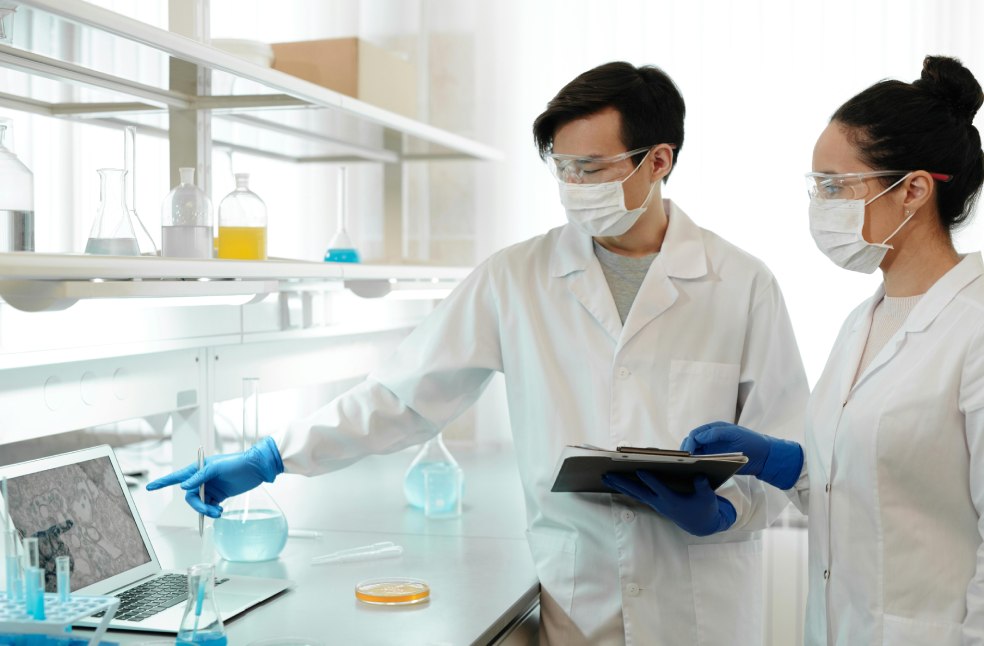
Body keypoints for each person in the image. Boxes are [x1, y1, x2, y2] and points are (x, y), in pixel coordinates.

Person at [147, 61, 808, 645]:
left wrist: (728, 512)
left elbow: (788, 446)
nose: (574, 185)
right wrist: (272, 458)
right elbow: (404, 396)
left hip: (702, 605)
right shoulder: (516, 278)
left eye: (592, 168)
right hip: (582, 599)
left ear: (658, 160)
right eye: (562, 167)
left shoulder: (741, 284)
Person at [682, 55, 984, 645]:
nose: (820, 205)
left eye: (834, 186)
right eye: (816, 186)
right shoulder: (862, 323)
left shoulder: (975, 328)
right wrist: (787, 466)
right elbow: (879, 486)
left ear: (913, 190)